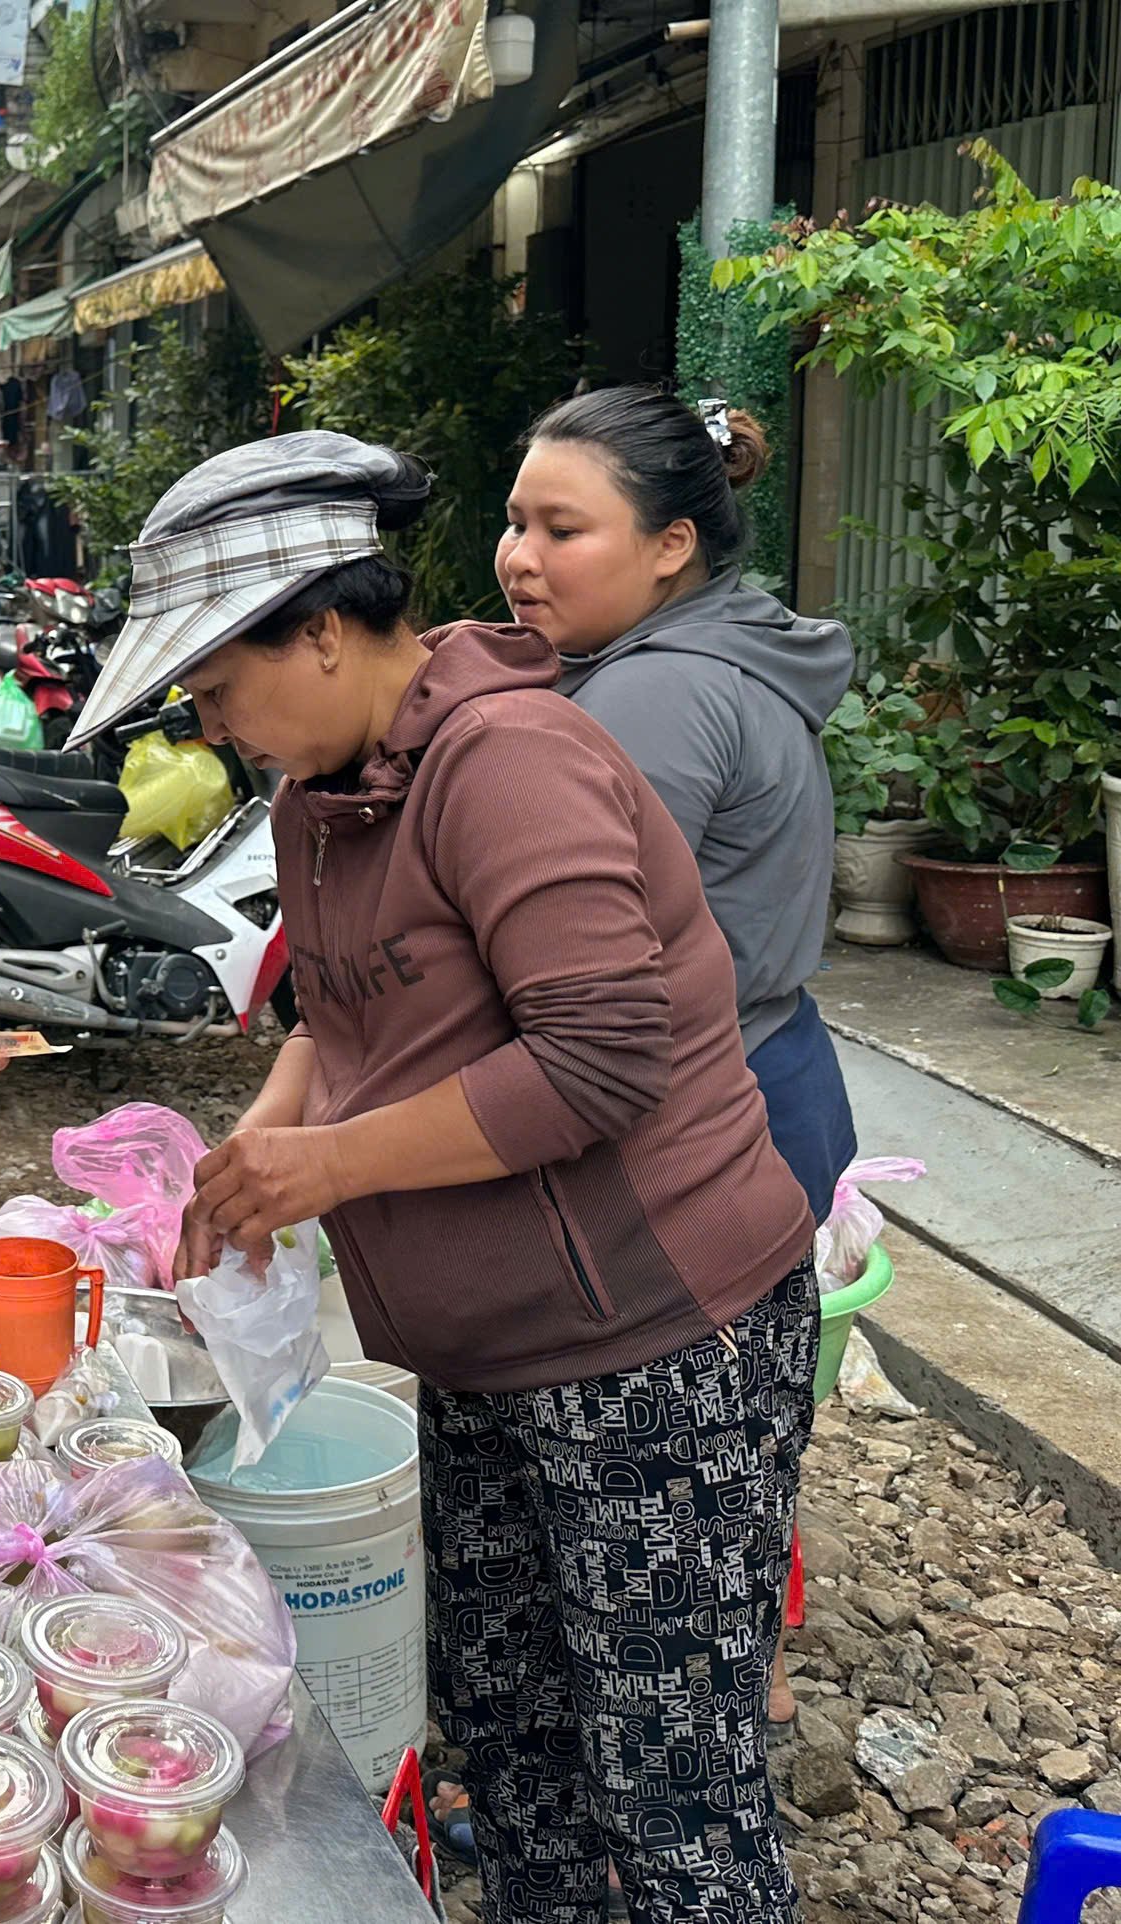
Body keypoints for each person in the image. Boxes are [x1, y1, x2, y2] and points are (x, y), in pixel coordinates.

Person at [86, 433, 818, 1924]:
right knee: (518, 1745)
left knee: (671, 1785)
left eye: (223, 685)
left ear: (328, 627)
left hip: (655, 1350)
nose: (215, 724)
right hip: (482, 1358)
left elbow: (602, 1058)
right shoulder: (320, 792)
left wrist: (329, 1166)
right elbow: (338, 1018)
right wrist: (255, 1156)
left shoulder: (509, 758)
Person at [503, 386, 859, 1733]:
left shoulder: (649, 697)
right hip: (782, 1072)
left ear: (670, 548)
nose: (519, 556)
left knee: (655, 1464)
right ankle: (735, 1668)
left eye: (561, 527)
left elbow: (583, 983)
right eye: (514, 521)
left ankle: (674, 1742)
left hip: (706, 1106)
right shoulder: (731, 652)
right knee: (736, 1431)